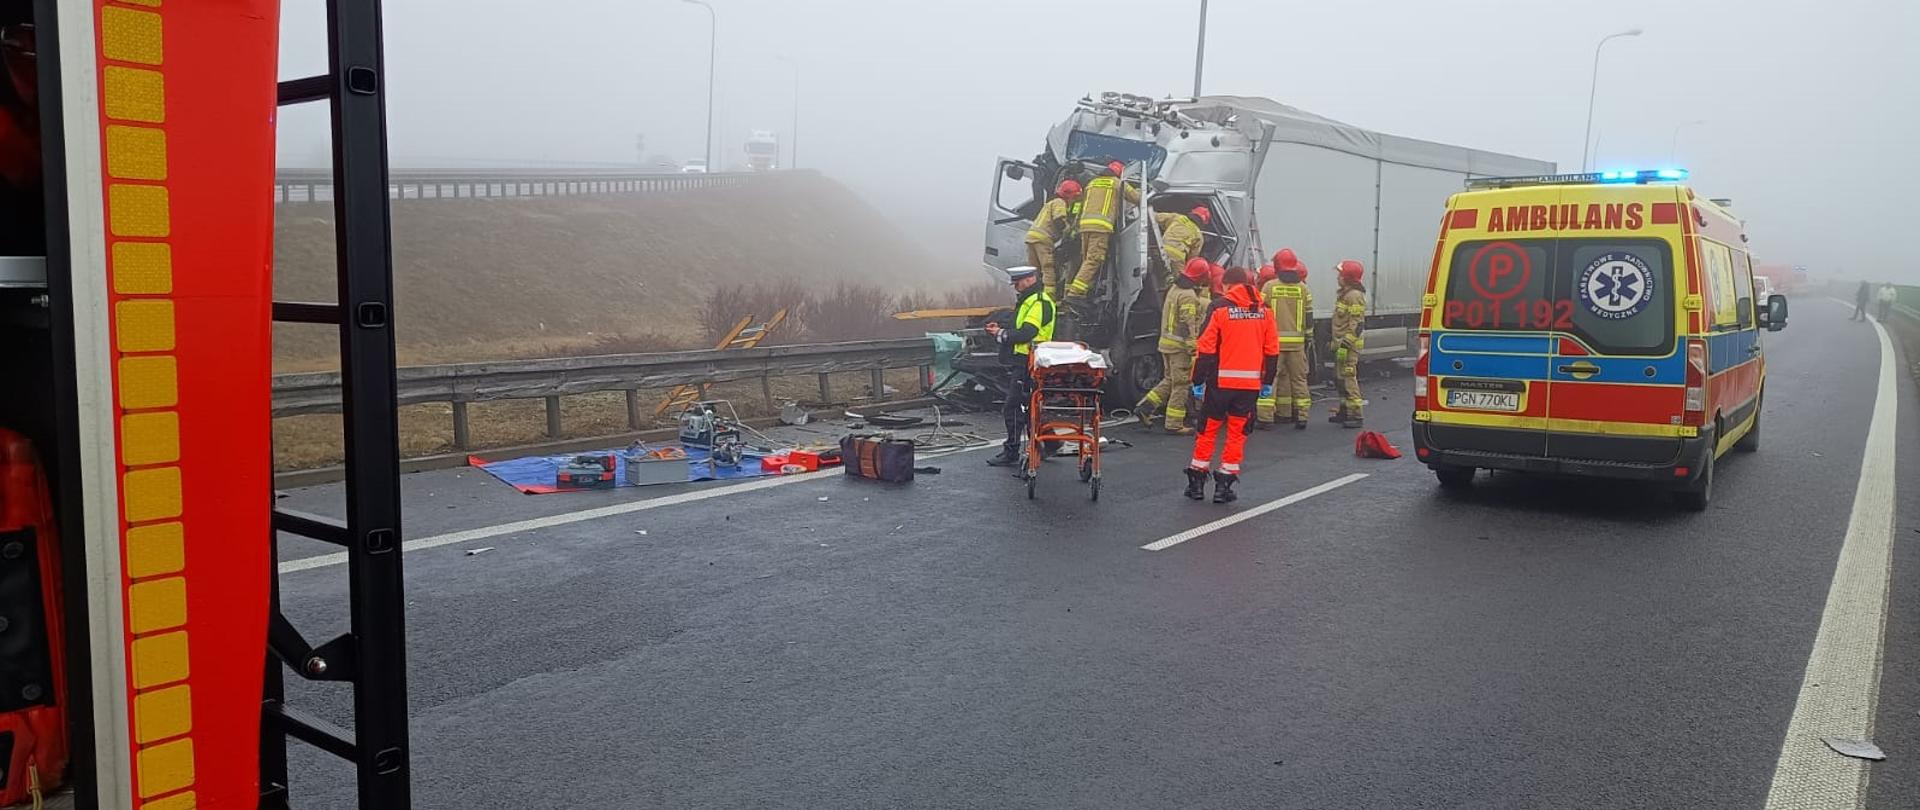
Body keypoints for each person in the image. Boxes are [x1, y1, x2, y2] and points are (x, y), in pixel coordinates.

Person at [1185, 267, 1280, 503]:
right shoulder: (1264, 310)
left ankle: (1196, 484)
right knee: (1237, 434)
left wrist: (1198, 380)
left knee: (1207, 431)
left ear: (1227, 285)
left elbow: (1206, 348)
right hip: (1248, 387)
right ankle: (1223, 486)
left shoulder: (1219, 308)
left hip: (1220, 383)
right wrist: (1267, 381)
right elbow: (1272, 350)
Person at [985, 266, 1058, 468]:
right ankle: (1051, 443)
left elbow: (1027, 332)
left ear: (1030, 280)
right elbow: (1020, 328)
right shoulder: (1029, 301)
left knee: (1013, 406)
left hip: (1030, 361)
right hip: (1026, 360)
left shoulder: (1038, 302)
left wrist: (1000, 334)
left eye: (1018, 282)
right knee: (1029, 405)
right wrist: (1002, 330)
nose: (1016, 287)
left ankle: (1012, 450)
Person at [1136, 257, 1212, 434]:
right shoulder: (1188, 295)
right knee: (1181, 384)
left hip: (1166, 343)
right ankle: (1174, 423)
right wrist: (1193, 344)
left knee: (1169, 380)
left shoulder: (1175, 289)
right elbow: (1188, 322)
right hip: (1179, 347)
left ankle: (1145, 407)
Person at [1065, 160, 1141, 302]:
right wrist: (1142, 190)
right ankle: (1075, 293)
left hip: (1085, 226)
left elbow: (1081, 206)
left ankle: (1078, 290)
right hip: (1100, 227)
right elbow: (1137, 199)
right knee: (1094, 260)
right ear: (1119, 173)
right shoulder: (1117, 183)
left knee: (1086, 260)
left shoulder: (1091, 183)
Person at [1257, 249, 1314, 430]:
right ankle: (1300, 416)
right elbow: (1309, 316)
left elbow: (1260, 312)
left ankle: (1266, 418)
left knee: (1270, 379)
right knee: (1298, 380)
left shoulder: (1269, 287)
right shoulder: (1303, 289)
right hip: (1297, 345)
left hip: (1274, 344)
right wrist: (1308, 337)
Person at [1329, 259, 1368, 428]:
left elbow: (1357, 324)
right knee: (1339, 378)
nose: (1338, 277)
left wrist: (1345, 344)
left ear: (1347, 277)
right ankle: (1344, 410)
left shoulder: (1354, 296)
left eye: (1340, 274)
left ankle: (1356, 415)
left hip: (1348, 346)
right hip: (1341, 344)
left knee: (1348, 378)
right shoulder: (1345, 294)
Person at [1024, 180, 1080, 296]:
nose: (1073, 201)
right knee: (1048, 268)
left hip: (1031, 237)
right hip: (1043, 239)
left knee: (1034, 270)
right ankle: (1049, 298)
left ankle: (1031, 295)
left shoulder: (1050, 203)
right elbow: (1059, 220)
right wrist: (1069, 232)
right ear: (1068, 195)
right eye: (1074, 197)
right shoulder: (1060, 202)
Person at [1153, 205, 1207, 285]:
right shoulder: (1199, 235)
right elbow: (1192, 259)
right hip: (1177, 259)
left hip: (1161, 250)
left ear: (1192, 212)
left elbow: (1155, 217)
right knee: (1178, 284)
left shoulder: (1178, 218)